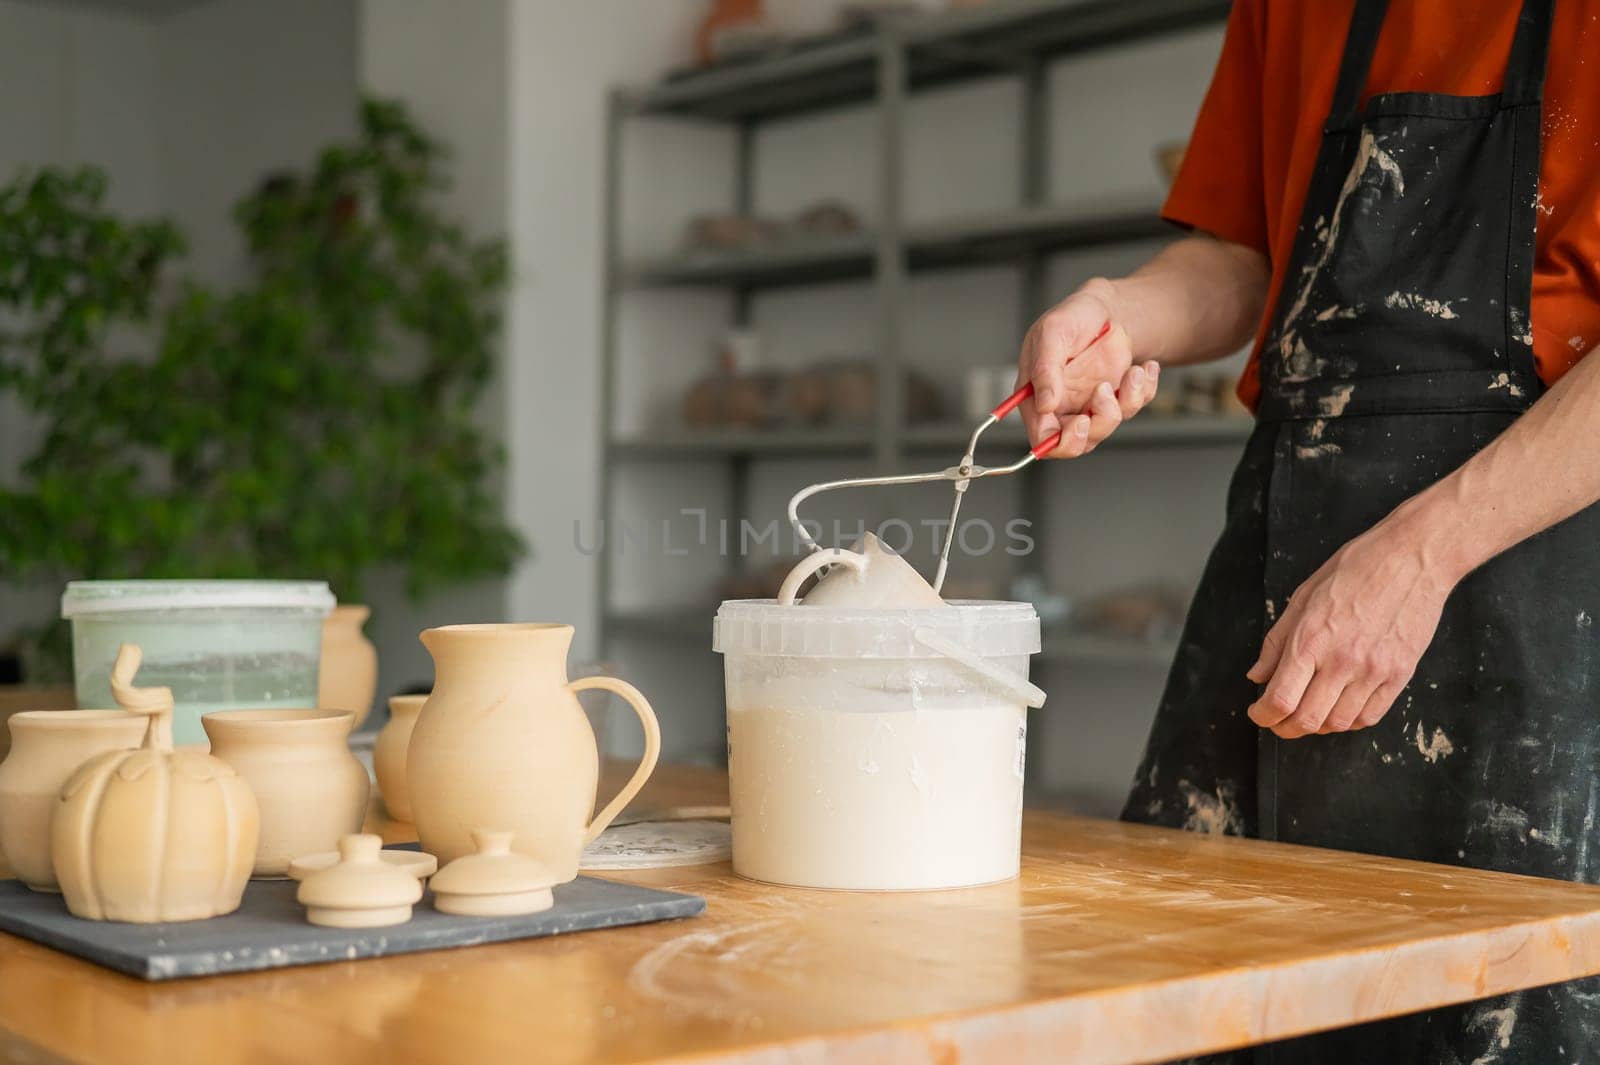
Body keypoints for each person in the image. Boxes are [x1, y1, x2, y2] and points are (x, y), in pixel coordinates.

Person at [1015, 0, 1600, 1060]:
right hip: (1290, 542)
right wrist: (1116, 317)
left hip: (1539, 562)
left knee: (1504, 1017)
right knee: (1194, 987)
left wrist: (1420, 555)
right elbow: (1242, 254)